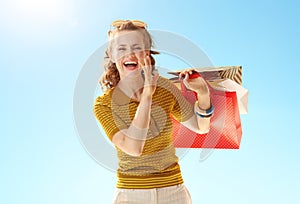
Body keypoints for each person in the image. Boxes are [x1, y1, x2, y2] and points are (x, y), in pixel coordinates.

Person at [93, 20, 214, 204]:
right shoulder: (104, 104)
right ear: (111, 54)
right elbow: (134, 148)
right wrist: (148, 94)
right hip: (130, 195)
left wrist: (203, 93)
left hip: (174, 192)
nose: (129, 54)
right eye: (122, 48)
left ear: (147, 53)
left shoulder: (165, 88)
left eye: (136, 47)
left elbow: (200, 127)